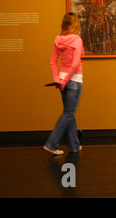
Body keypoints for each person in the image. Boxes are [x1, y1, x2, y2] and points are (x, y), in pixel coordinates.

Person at [44, 12, 84, 155]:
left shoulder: (58, 39)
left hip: (62, 80)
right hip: (74, 80)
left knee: (69, 112)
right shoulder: (77, 39)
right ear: (75, 24)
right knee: (68, 113)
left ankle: (74, 145)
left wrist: (58, 79)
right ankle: (52, 143)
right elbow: (74, 64)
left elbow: (53, 61)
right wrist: (66, 80)